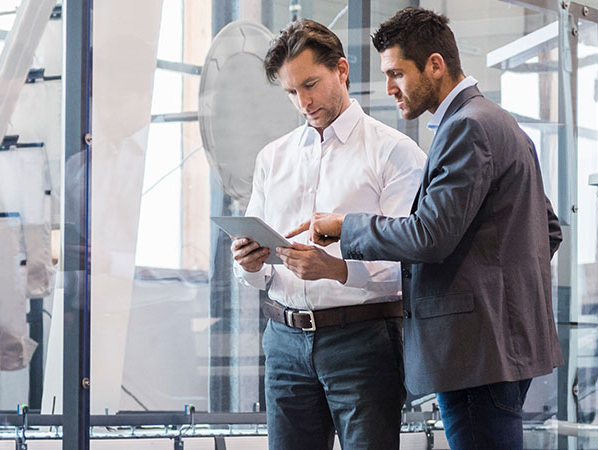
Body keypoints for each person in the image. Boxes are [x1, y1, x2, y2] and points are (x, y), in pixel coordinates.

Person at [281, 8, 564, 450]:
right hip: (495, 348)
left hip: (475, 353)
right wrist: (498, 294)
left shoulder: (466, 127)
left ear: (435, 65)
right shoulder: (498, 121)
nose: (389, 87)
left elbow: (429, 236)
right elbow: (547, 229)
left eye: (397, 73)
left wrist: (345, 226)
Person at [231, 19, 426, 450]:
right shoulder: (272, 157)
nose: (302, 102)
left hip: (362, 342)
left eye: (310, 84)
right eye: (290, 92)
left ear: (342, 70)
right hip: (282, 342)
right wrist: (248, 264)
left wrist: (337, 270)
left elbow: (412, 264)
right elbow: (254, 268)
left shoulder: (394, 153)